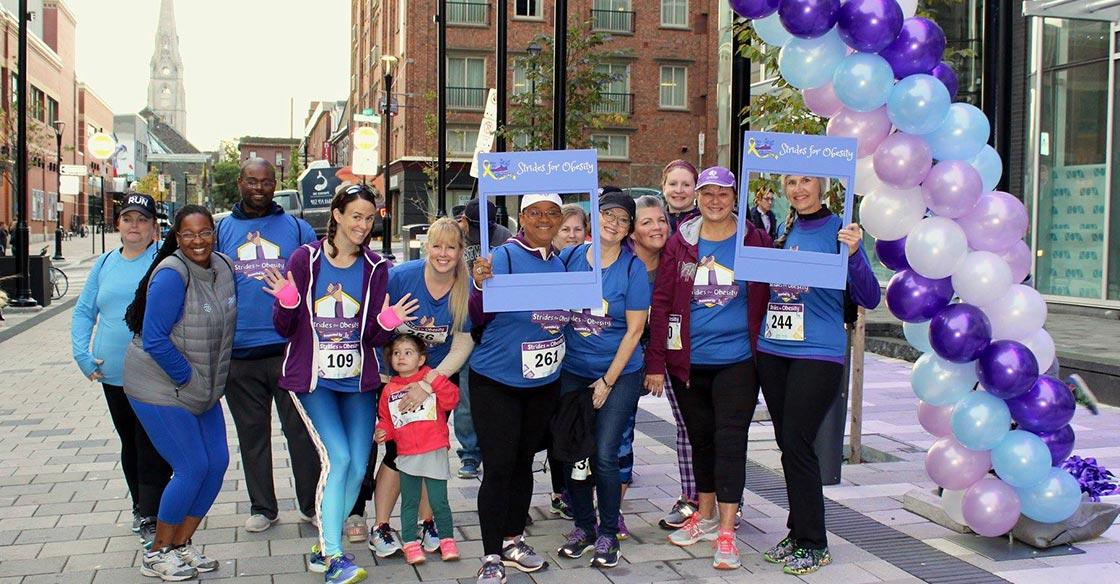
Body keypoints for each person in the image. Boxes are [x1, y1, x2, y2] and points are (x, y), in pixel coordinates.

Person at [264, 183, 415, 584]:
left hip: (357, 381)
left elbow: (372, 338)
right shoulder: (306, 259)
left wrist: (385, 324)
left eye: (369, 218)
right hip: (314, 381)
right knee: (340, 460)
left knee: (357, 465)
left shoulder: (376, 268)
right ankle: (334, 555)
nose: (362, 226)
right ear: (337, 215)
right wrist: (287, 300)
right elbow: (285, 328)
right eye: (355, 216)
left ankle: (322, 547)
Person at [645, 166, 771, 570]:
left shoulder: (755, 239)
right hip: (690, 361)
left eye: (723, 194)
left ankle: (728, 530)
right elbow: (662, 302)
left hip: (738, 361)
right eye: (708, 194)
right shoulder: (682, 241)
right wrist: (658, 362)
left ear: (735, 198)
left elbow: (773, 292)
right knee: (700, 438)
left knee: (730, 440)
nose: (715, 201)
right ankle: (705, 512)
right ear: (697, 198)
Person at [756, 176, 880, 575]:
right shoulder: (785, 225)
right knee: (788, 444)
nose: (798, 188)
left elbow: (869, 297)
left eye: (806, 180)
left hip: (819, 351)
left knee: (797, 440)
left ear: (823, 184)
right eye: (790, 182)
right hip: (774, 349)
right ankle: (797, 532)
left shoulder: (840, 229)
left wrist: (856, 253)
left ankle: (814, 541)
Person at [122, 205, 236, 581]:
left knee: (216, 465)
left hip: (202, 387)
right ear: (176, 235)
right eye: (188, 234)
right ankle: (157, 553)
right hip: (160, 386)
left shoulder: (222, 266)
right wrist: (189, 379)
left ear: (214, 233)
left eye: (204, 232)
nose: (197, 241)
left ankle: (181, 545)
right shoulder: (171, 275)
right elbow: (154, 339)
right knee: (191, 467)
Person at [357, 217, 475, 556]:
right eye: (437, 245)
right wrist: (389, 317)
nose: (443, 253)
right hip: (391, 376)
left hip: (435, 377)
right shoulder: (401, 277)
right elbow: (373, 325)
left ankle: (426, 523)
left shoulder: (464, 288)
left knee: (429, 448)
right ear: (427, 247)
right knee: (397, 452)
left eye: (451, 247)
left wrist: (428, 383)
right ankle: (380, 526)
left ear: (460, 251)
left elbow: (462, 344)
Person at [215, 158, 321, 533]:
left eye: (265, 182)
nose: (258, 188)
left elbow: (320, 277)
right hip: (239, 354)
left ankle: (311, 504)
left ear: (275, 184)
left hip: (289, 350)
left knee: (302, 433)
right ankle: (263, 507)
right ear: (240, 182)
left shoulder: (297, 227)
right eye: (251, 181)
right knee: (252, 435)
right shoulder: (221, 230)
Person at [468, 193, 568, 584]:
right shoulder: (504, 257)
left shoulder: (560, 264)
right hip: (497, 380)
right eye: (535, 213)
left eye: (552, 213)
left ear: (560, 219)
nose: (544, 219)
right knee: (499, 467)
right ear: (521, 217)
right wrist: (479, 284)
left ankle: (513, 540)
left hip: (542, 381)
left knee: (525, 462)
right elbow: (476, 315)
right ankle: (491, 555)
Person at [71, 193, 172, 550]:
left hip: (153, 371)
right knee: (129, 441)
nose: (134, 226)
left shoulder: (163, 260)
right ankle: (140, 506)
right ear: (118, 225)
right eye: (128, 219)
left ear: (154, 227)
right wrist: (82, 354)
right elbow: (85, 312)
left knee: (151, 444)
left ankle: (152, 512)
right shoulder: (104, 263)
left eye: (142, 220)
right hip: (112, 373)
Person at [554, 192, 649, 568]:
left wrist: (607, 382)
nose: (613, 223)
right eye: (608, 214)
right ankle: (583, 526)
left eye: (623, 219)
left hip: (620, 372)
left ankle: (608, 532)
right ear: (596, 217)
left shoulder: (632, 269)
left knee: (606, 453)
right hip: (574, 370)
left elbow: (635, 330)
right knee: (573, 450)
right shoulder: (571, 257)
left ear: (628, 229)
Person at [619, 195, 677, 537]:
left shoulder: (674, 261)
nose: (657, 228)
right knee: (620, 432)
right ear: (632, 232)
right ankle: (610, 508)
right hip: (624, 356)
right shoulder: (623, 263)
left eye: (661, 221)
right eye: (647, 222)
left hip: (665, 352)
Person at [375, 335, 461, 564]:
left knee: (439, 500)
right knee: (409, 502)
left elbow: (452, 399)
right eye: (396, 353)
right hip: (406, 454)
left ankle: (447, 540)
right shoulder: (389, 389)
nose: (401, 357)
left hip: (434, 450)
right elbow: (387, 419)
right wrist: (383, 432)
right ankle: (411, 544)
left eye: (408, 352)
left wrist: (435, 380)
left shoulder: (430, 380)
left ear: (422, 359)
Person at [662, 159, 700, 233]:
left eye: (686, 185)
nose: (679, 190)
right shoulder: (654, 224)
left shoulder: (706, 223)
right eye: (673, 184)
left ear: (696, 190)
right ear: (664, 187)